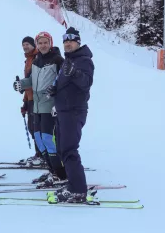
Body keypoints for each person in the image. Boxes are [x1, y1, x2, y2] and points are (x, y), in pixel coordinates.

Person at [46, 27, 94, 203]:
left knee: (69, 149)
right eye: (65, 41)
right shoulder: (69, 60)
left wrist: (75, 73)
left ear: (78, 42)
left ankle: (78, 190)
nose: (67, 44)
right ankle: (72, 183)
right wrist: (55, 90)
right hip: (63, 110)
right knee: (61, 148)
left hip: (74, 111)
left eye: (71, 41)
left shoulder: (84, 61)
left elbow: (86, 83)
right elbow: (64, 83)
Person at [13, 32, 66, 185]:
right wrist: (20, 84)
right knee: (38, 138)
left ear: (50, 43)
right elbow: (30, 79)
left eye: (45, 42)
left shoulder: (58, 60)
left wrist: (58, 103)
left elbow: (63, 83)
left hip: (49, 106)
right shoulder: (36, 61)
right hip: (36, 105)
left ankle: (60, 173)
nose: (43, 45)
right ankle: (51, 170)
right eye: (40, 43)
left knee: (48, 139)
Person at [18, 36, 43, 165]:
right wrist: (25, 103)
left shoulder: (37, 58)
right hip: (31, 98)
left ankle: (43, 156)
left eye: (27, 44)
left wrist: (23, 84)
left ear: (34, 45)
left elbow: (35, 80)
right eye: (23, 45)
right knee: (32, 128)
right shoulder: (28, 60)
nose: (25, 47)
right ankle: (39, 154)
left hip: (39, 99)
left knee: (37, 128)